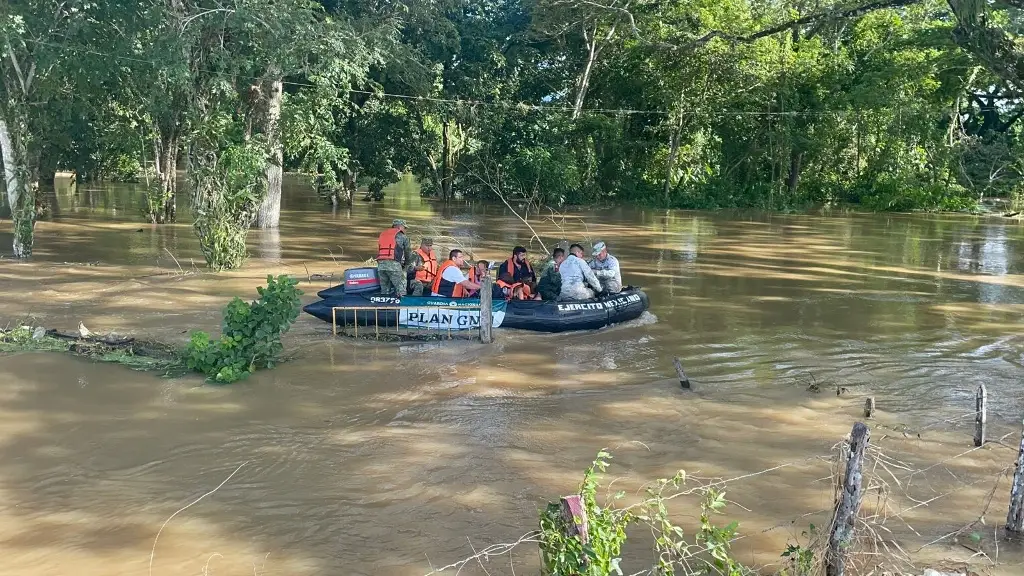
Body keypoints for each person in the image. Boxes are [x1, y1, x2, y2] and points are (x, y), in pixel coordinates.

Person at [376, 218, 411, 296]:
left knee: (384, 290)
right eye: (405, 228)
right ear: (400, 227)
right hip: (393, 265)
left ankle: (383, 306)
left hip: (381, 265)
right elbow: (408, 252)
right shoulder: (403, 236)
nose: (405, 230)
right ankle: (402, 306)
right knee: (401, 286)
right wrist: (406, 265)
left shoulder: (383, 234)